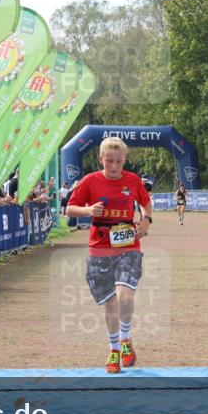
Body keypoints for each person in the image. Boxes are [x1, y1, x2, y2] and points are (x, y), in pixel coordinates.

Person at [65, 137, 152, 374]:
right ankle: (114, 349)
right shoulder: (90, 181)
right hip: (100, 248)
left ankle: (125, 339)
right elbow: (69, 209)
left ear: (124, 160)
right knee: (110, 304)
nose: (114, 166)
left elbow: (145, 203)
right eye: (109, 161)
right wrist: (88, 210)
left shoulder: (132, 180)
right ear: (101, 159)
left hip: (128, 245)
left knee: (125, 296)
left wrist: (146, 219)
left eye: (118, 161)